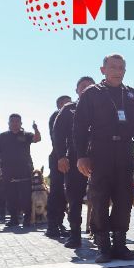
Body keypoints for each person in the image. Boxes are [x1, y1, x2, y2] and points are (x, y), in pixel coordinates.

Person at [74, 55, 134, 262]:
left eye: (121, 67)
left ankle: (120, 245)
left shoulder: (131, 94)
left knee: (124, 198)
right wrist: (81, 156)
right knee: (99, 198)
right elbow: (79, 127)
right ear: (103, 69)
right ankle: (103, 246)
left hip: (125, 150)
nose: (117, 71)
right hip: (100, 150)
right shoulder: (91, 94)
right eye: (112, 67)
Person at [54, 76, 96, 248]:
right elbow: (58, 133)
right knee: (74, 198)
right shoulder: (68, 109)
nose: (86, 89)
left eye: (90, 86)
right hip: (74, 159)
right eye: (83, 87)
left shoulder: (101, 106)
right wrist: (61, 156)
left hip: (99, 158)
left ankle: (100, 235)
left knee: (101, 198)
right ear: (76, 90)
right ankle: (75, 235)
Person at [0, 114, 41, 227]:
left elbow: (37, 139)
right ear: (8, 123)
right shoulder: (2, 136)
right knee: (10, 196)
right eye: (12, 121)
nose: (15, 123)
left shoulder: (26, 135)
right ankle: (13, 219)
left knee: (25, 197)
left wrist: (36, 129)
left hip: (25, 171)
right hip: (7, 171)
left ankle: (27, 218)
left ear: (21, 123)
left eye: (17, 122)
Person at [45, 95, 73, 238]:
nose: (69, 104)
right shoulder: (56, 116)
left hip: (71, 159)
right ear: (59, 105)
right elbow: (56, 138)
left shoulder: (74, 114)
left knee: (65, 194)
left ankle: (60, 223)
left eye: (70, 101)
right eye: (65, 102)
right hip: (58, 158)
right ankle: (51, 226)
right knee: (56, 192)